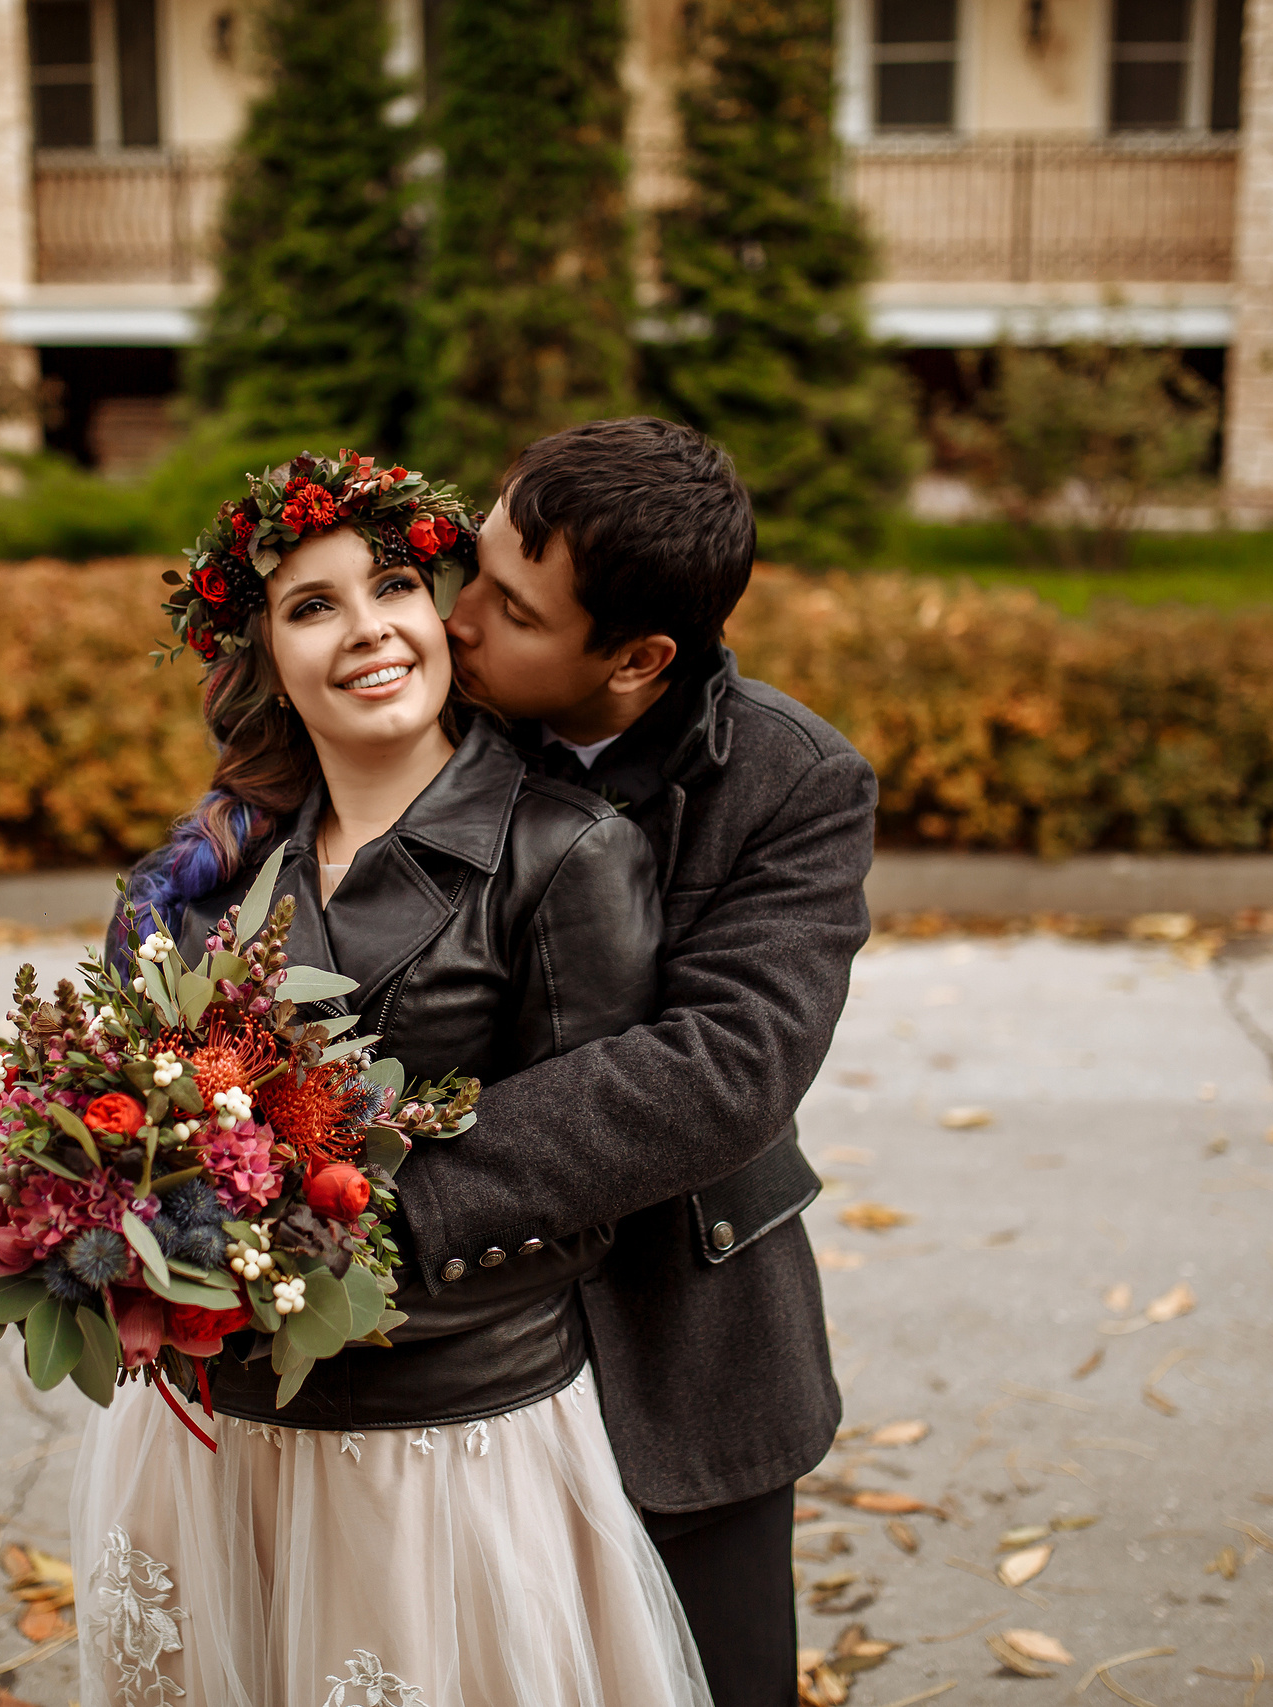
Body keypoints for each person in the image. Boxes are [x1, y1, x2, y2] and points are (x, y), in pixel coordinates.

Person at [73, 452, 711, 1707]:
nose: (367, 631)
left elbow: (590, 1175)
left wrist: (316, 1247)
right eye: (311, 606)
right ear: (263, 658)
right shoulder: (193, 882)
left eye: (394, 587)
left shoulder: (566, 855)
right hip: (210, 1434)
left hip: (444, 1436)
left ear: (439, 613)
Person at [411, 417, 878, 1707]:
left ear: (635, 661)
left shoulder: (792, 782)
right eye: (475, 568)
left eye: (509, 606)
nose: (457, 621)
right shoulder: (421, 715)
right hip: (434, 1357)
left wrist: (396, 1187)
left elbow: (728, 1068)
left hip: (685, 1340)